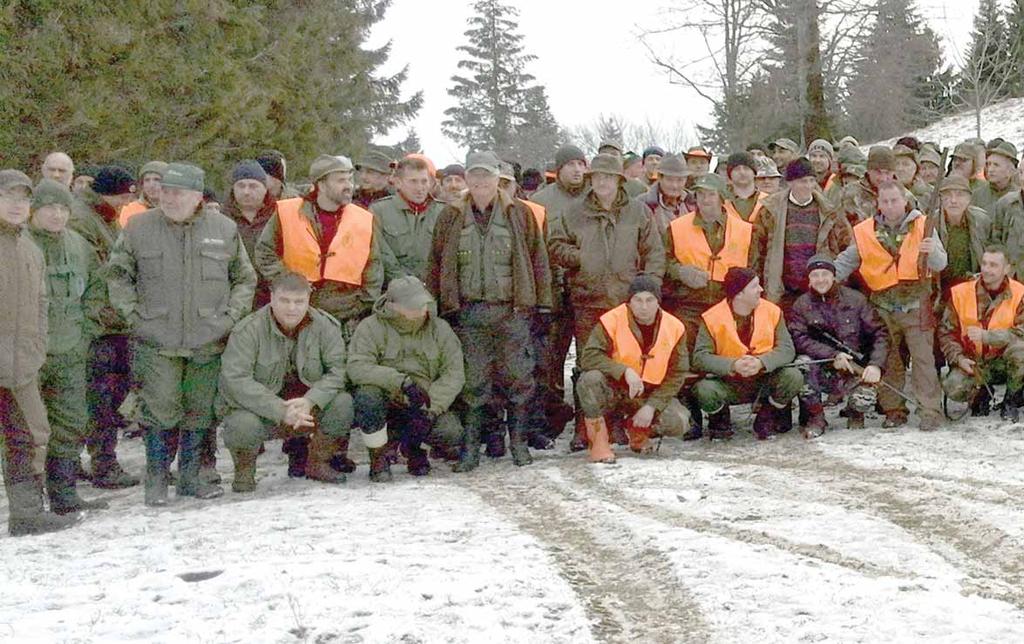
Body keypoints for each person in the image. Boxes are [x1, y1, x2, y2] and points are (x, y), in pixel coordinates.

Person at [107, 162, 257, 505]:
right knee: (158, 411)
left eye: (178, 193)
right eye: (165, 191)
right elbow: (117, 275)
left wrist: (231, 317)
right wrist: (133, 315)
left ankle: (191, 477)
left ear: (197, 196)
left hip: (208, 339)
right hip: (156, 341)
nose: (169, 198)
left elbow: (244, 278)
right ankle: (156, 481)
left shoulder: (223, 228)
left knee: (200, 410)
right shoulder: (138, 227)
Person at [426, 150, 552, 471]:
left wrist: (542, 306)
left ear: (499, 179)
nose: (481, 182)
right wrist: (438, 306)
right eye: (475, 175)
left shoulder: (520, 214)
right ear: (467, 179)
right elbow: (436, 264)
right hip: (468, 314)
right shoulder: (450, 216)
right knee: (474, 383)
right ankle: (470, 448)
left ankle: (519, 445)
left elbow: (539, 262)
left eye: (487, 175)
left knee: (519, 380)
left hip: (512, 312)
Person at [549, 153, 665, 449]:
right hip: (589, 300)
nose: (602, 182)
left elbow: (653, 252)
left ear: (619, 180)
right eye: (597, 177)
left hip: (628, 304)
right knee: (589, 366)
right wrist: (581, 259)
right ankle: (584, 425)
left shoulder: (638, 212)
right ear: (590, 180)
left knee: (624, 362)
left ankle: (616, 422)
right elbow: (555, 246)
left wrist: (648, 291)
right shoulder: (573, 212)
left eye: (608, 176)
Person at [218, 271, 351, 491]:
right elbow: (235, 379)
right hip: (264, 413)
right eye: (284, 301)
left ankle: (317, 462)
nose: (292, 308)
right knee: (241, 424)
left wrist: (311, 401)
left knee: (342, 403)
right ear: (271, 297)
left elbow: (338, 371)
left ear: (308, 299)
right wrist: (280, 410)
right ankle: (244, 472)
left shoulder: (325, 326)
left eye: (299, 302)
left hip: (306, 410)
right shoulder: (248, 330)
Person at [0, 169, 79, 536]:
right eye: (8, 197)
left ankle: (27, 513)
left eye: (23, 199)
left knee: (32, 434)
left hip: (22, 365)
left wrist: (36, 347)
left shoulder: (29, 249)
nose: (17, 205)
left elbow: (41, 303)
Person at [834, 180, 947, 431]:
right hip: (883, 305)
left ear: (904, 200)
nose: (890, 205)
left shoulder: (923, 226)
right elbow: (848, 260)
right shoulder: (865, 231)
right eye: (884, 201)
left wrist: (932, 251)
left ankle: (929, 410)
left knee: (922, 360)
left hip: (916, 303)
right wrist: (826, 277)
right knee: (890, 360)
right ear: (878, 203)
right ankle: (894, 409)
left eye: (894, 200)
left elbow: (940, 263)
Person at [27, 179, 111, 514]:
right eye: (49, 207)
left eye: (63, 208)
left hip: (71, 349)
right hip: (27, 355)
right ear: (34, 210)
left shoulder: (79, 246)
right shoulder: (18, 246)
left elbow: (95, 290)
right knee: (27, 430)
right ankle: (28, 500)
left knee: (72, 421)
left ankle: (63, 492)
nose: (57, 215)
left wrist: (87, 330)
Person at [347, 276, 465, 481]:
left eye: (423, 305)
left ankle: (414, 448)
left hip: (422, 402)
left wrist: (431, 407)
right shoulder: (370, 327)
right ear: (393, 306)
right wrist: (400, 382)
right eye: (413, 306)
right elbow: (357, 367)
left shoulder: (440, 329)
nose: (421, 311)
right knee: (367, 397)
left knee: (451, 432)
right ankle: (378, 458)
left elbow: (454, 373)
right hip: (387, 399)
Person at [67, 166, 140, 489]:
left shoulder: (101, 216)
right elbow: (99, 277)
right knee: (101, 400)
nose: (127, 203)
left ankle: (74, 461)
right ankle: (102, 465)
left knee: (104, 398)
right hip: (97, 326)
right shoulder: (83, 221)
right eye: (124, 196)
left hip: (107, 322)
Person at [577, 275, 691, 462]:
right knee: (589, 380)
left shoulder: (675, 327)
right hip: (615, 389)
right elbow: (589, 357)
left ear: (658, 302)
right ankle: (599, 442)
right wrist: (624, 371)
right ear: (629, 302)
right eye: (637, 300)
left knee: (679, 421)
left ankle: (638, 430)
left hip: (648, 394)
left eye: (649, 300)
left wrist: (651, 406)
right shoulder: (611, 320)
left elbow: (677, 374)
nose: (643, 306)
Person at [691, 268, 804, 440]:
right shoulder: (711, 317)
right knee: (705, 390)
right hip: (729, 382)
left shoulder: (772, 312)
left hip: (764, 378)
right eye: (755, 286)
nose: (761, 290)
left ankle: (768, 416)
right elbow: (700, 357)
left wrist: (761, 363)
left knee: (793, 376)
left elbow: (787, 349)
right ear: (739, 293)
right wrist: (733, 365)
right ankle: (720, 421)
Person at [788, 256, 888, 435]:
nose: (820, 280)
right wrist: (833, 355)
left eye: (825, 274)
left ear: (834, 276)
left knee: (864, 398)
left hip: (855, 367)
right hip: (822, 366)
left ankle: (855, 413)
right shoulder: (801, 305)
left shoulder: (856, 300)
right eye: (815, 275)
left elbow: (879, 333)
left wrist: (875, 365)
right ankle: (816, 418)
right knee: (801, 364)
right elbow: (799, 338)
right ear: (809, 279)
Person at [531, 145, 589, 448]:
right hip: (552, 292)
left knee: (588, 358)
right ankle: (551, 417)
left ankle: (586, 419)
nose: (577, 170)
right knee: (550, 359)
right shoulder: (539, 202)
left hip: (587, 289)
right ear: (559, 169)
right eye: (571, 165)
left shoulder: (595, 198)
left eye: (581, 164)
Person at [754, 157, 852, 312]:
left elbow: (847, 246)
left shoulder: (830, 212)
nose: (808, 186)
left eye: (811, 181)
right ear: (790, 182)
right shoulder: (770, 210)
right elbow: (757, 251)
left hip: (819, 289)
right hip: (783, 291)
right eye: (802, 181)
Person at [938, 245, 1024, 421]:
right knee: (953, 387)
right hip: (973, 362)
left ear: (1007, 268)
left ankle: (1011, 401)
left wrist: (988, 337)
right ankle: (981, 393)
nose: (986, 269)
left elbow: (1021, 333)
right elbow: (946, 333)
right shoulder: (960, 293)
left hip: (1003, 361)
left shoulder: (1020, 294)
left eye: (993, 265)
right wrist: (959, 359)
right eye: (984, 263)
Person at [371, 156, 444, 282]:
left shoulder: (443, 212)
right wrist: (409, 284)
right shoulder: (379, 211)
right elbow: (382, 255)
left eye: (424, 181)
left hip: (434, 288)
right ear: (398, 182)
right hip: (394, 288)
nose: (420, 187)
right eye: (413, 181)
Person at [222, 160, 277, 309]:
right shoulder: (220, 218)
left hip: (271, 296)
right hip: (232, 297)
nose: (246, 191)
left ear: (265, 188)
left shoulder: (279, 216)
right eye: (241, 186)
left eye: (253, 186)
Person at [935, 175, 991, 296]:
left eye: (960, 194)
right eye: (948, 195)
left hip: (972, 288)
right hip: (942, 289)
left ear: (969, 198)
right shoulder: (930, 223)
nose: (953, 200)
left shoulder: (981, 221)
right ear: (940, 198)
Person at [641, 154, 689, 231]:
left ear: (686, 180)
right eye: (669, 180)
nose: (675, 186)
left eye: (680, 180)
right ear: (659, 178)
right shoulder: (643, 204)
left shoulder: (693, 202)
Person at [972, 141, 1018, 213]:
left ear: (1009, 170)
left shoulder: (1019, 197)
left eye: (996, 165)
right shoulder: (977, 195)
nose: (990, 170)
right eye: (988, 164)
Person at [118, 161, 167, 227]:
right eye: (147, 180)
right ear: (142, 185)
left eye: (157, 180)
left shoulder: (180, 208)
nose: (151, 185)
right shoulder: (131, 210)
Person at [724, 152, 767, 223]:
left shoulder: (768, 200)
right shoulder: (721, 200)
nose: (742, 172)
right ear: (730, 174)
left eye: (746, 168)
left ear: (754, 173)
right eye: (737, 169)